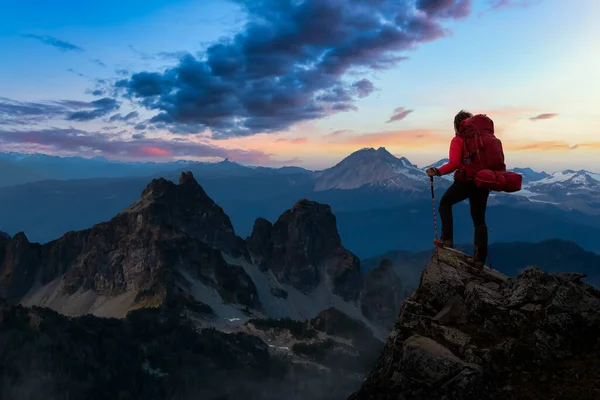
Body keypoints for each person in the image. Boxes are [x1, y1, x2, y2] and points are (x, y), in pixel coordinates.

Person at [426, 110, 490, 269]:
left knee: (445, 204)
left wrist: (438, 171)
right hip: (483, 181)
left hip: (466, 181)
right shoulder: (482, 138)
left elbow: (454, 164)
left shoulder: (459, 140)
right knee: (479, 220)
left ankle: (446, 240)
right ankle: (479, 259)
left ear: (457, 125)